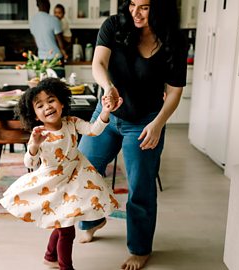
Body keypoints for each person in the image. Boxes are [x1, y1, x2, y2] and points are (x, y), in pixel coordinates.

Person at [77, 0, 187, 269]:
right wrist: (108, 87)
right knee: (84, 168)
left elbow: (174, 90)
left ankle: (139, 249)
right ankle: (92, 219)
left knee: (140, 186)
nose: (135, 13)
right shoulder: (114, 26)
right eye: (132, 5)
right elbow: (98, 63)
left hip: (145, 121)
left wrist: (159, 123)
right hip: (107, 115)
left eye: (145, 7)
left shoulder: (174, 40)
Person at [0, 78, 120, 270]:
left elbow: (93, 130)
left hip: (75, 178)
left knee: (63, 223)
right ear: (36, 115)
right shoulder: (39, 133)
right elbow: (29, 163)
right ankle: (65, 266)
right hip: (53, 183)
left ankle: (50, 256)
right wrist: (34, 145)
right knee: (66, 231)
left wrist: (105, 111)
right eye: (40, 105)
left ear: (62, 103)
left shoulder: (71, 122)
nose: (47, 107)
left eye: (51, 100)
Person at [30, 0, 68, 77]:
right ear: (48, 5)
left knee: (44, 86)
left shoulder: (32, 20)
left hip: (41, 59)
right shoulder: (54, 20)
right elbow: (61, 44)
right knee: (59, 86)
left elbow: (36, 43)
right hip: (56, 59)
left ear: (38, 6)